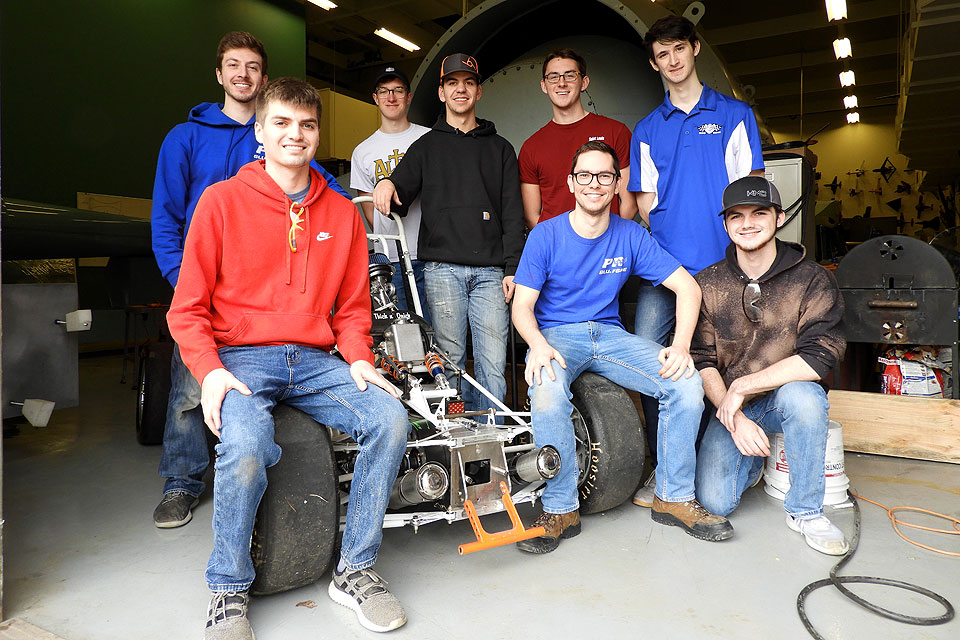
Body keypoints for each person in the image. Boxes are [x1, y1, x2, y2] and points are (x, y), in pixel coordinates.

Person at [167, 78, 410, 638]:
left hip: (318, 360)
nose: (293, 135)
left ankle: (355, 570)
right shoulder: (221, 201)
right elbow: (187, 310)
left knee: (388, 418)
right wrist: (211, 371)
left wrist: (358, 358)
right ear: (261, 130)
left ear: (317, 132)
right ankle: (228, 589)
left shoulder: (345, 215)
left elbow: (352, 308)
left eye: (305, 125)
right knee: (247, 445)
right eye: (281, 123)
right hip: (242, 359)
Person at [150, 31, 350, 529]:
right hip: (199, 288)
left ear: (263, 80)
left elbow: (321, 187)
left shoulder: (279, 133)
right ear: (219, 75)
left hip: (257, 302)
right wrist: (186, 283)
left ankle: (244, 482)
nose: (243, 74)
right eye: (233, 65)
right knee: (189, 391)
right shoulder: (185, 137)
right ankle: (182, 482)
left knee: (241, 409)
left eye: (253, 67)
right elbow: (166, 218)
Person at [511, 141, 733, 554]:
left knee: (685, 385)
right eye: (586, 176)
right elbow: (522, 305)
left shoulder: (631, 235)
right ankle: (560, 508)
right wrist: (537, 345)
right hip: (558, 337)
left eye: (604, 176)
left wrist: (681, 346)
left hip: (611, 337)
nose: (594, 184)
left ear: (616, 185)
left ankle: (673, 496)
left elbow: (687, 287)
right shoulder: (546, 235)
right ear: (571, 183)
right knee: (546, 393)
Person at [628, 15, 765, 507]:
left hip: (724, 269)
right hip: (664, 274)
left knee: (726, 361)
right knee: (648, 359)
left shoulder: (733, 114)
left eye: (679, 49)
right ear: (654, 62)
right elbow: (644, 201)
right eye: (662, 54)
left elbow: (750, 193)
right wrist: (665, 255)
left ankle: (720, 455)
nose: (672, 60)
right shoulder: (646, 129)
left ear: (695, 48)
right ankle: (661, 463)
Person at [693, 176, 848, 556]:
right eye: (736, 216)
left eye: (759, 213)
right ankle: (757, 459)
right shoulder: (709, 283)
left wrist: (742, 387)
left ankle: (806, 511)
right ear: (726, 225)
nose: (747, 223)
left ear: (778, 218)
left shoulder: (812, 279)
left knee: (805, 397)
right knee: (715, 502)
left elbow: (821, 355)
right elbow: (702, 361)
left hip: (785, 397)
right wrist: (735, 416)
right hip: (733, 407)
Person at [373, 53, 524, 414]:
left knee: (492, 364)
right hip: (441, 270)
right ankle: (458, 442)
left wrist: (512, 268)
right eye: (452, 83)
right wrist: (386, 182)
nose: (461, 89)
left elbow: (513, 212)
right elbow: (400, 188)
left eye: (468, 82)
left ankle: (495, 439)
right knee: (449, 363)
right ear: (441, 92)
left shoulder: (501, 148)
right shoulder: (426, 145)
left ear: (478, 91)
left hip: (490, 274)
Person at [519, 48, 636, 229]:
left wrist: (609, 241)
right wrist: (559, 245)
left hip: (607, 249)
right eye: (553, 77)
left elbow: (630, 203)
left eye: (570, 75)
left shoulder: (615, 132)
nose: (562, 83)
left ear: (584, 82)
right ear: (544, 85)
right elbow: (531, 215)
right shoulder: (531, 147)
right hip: (558, 252)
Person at [350, 65, 431, 323]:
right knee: (400, 334)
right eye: (384, 91)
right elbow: (369, 210)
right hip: (391, 259)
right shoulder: (363, 151)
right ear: (375, 98)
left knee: (439, 335)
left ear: (408, 96)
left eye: (398, 90)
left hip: (433, 255)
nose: (391, 97)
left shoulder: (429, 139)